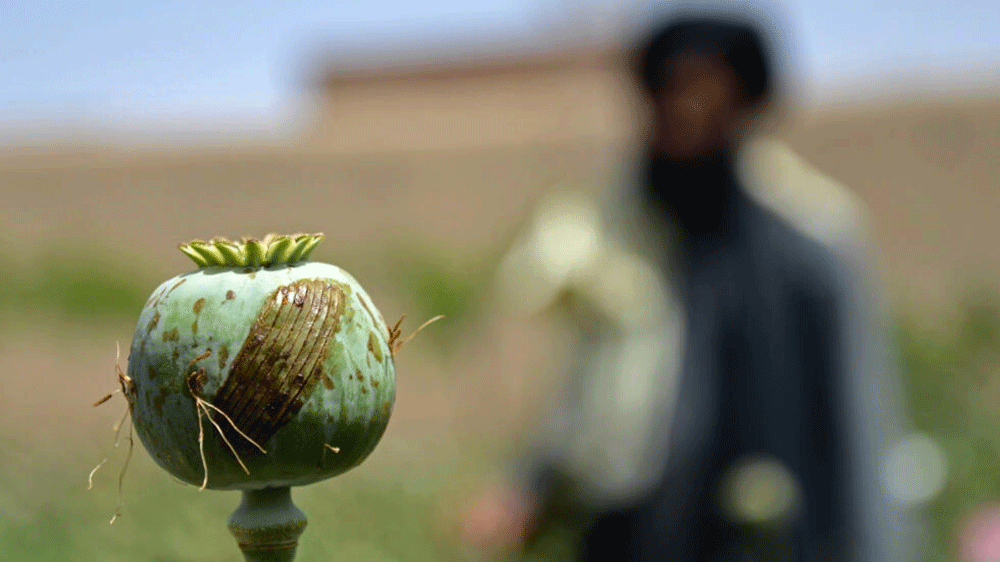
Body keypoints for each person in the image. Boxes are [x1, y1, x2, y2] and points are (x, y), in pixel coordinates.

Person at [461, 8, 923, 562]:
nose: (683, 109)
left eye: (703, 89)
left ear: (745, 102)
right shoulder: (617, 236)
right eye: (669, 88)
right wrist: (526, 484)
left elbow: (859, 427)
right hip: (631, 537)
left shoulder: (811, 243)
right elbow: (587, 392)